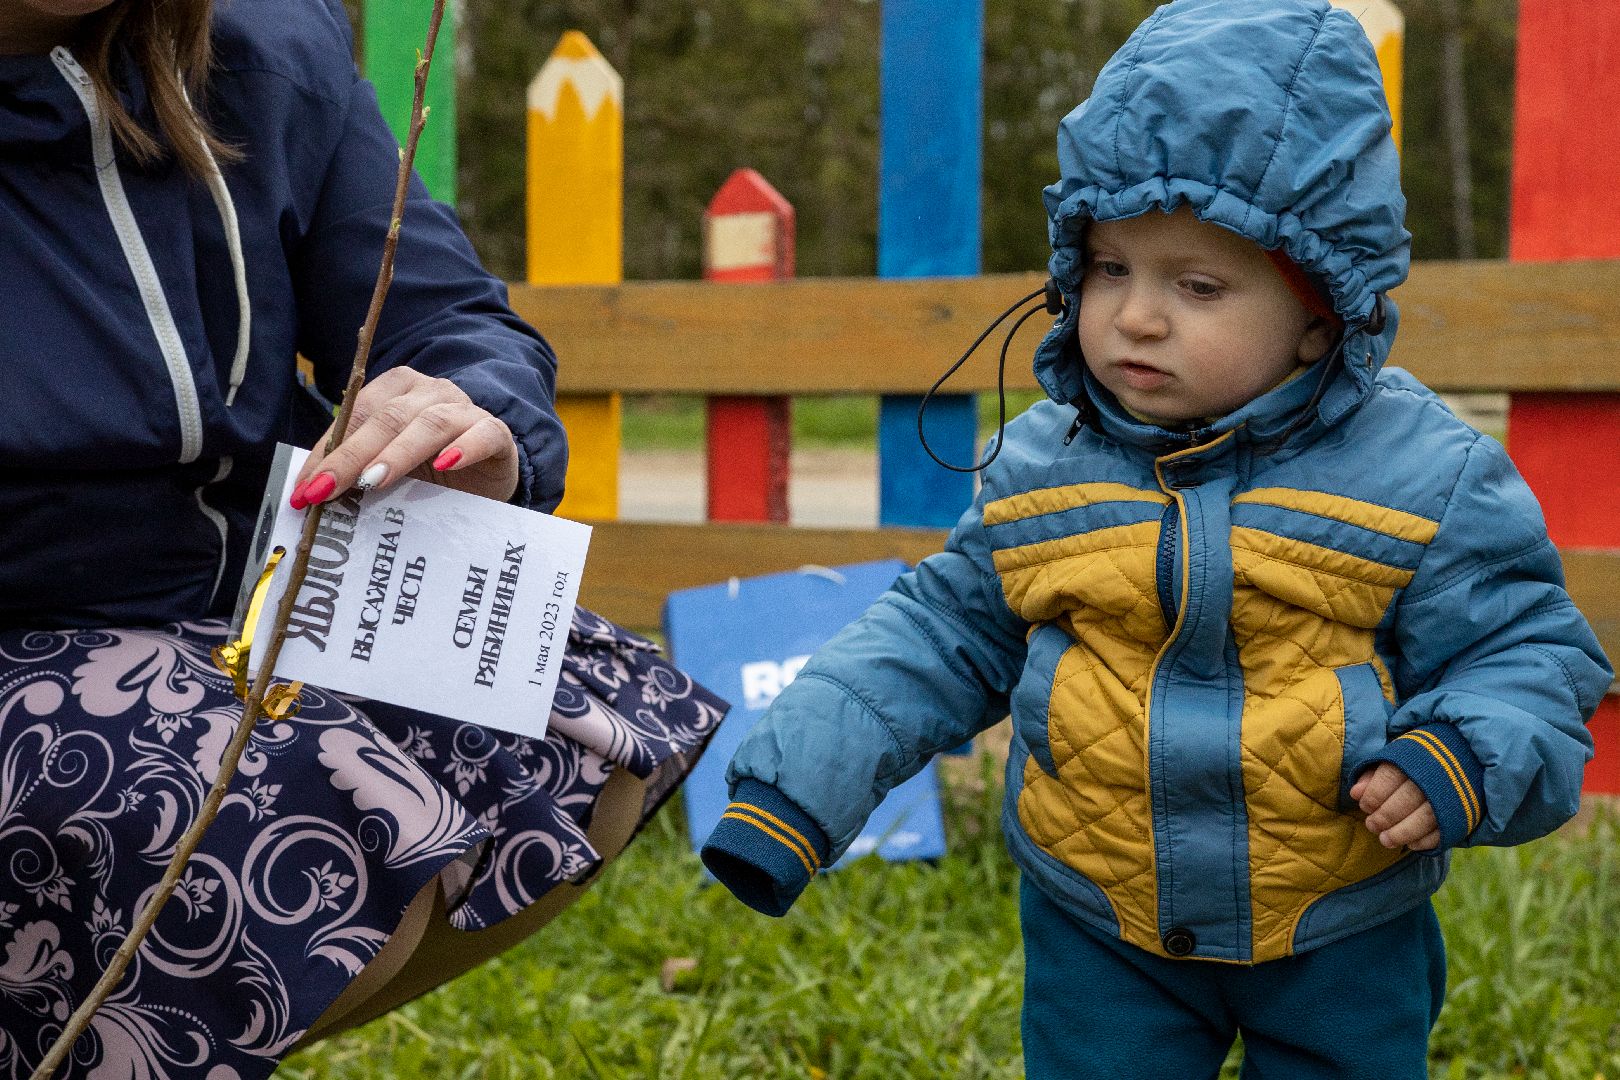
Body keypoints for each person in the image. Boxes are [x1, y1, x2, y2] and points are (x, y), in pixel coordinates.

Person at [699, 2, 1612, 1077]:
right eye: (1110, 268)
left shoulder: (1425, 475)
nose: (1136, 316)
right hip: (1100, 912)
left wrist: (1461, 753)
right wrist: (795, 789)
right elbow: (940, 634)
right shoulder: (1043, 465)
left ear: (1320, 314)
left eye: (1198, 285)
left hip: (1336, 914)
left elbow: (1526, 653)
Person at [0, 0, 722, 1076]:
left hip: (234, 592)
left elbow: (449, 317)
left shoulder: (262, 47)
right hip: (30, 631)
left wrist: (470, 415)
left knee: (576, 725)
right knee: (306, 817)